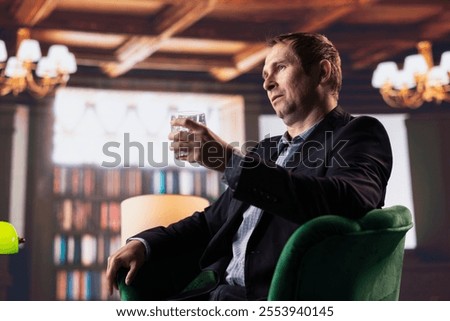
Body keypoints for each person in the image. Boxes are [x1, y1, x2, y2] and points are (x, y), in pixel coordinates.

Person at [106, 32, 393, 300]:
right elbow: (210, 221)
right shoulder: (265, 151)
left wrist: (231, 162)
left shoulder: (360, 133)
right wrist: (145, 244)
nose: (267, 83)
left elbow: (350, 201)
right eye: (265, 76)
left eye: (280, 68)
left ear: (322, 72)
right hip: (219, 292)